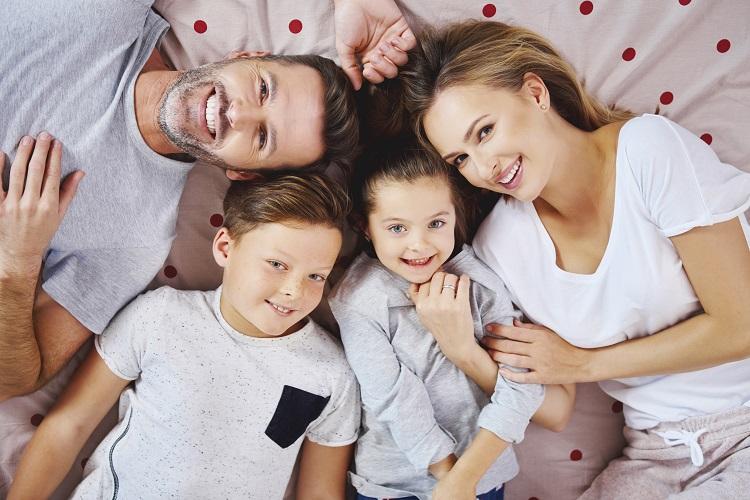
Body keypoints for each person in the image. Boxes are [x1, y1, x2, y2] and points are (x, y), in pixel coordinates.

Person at [399, 20, 750, 498]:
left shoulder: (646, 151)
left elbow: (741, 325)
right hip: (655, 453)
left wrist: (583, 364)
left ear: (535, 93)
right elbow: (555, 406)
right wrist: (464, 350)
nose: (484, 168)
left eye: (484, 131)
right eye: (460, 159)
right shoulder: (499, 246)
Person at [0, 0, 366, 401]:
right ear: (245, 57)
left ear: (243, 173)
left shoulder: (136, 239)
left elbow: (16, 381)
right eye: (262, 88)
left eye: (262, 138)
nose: (237, 114)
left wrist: (16, 261)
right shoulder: (108, 12)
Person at [8, 173, 360, 499]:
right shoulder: (160, 316)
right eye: (277, 265)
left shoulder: (331, 374)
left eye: (316, 276)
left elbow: (320, 493)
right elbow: (69, 425)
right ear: (225, 247)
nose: (293, 291)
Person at [329, 143, 574, 500]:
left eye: (436, 223)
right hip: (392, 486)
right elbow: (396, 400)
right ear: (365, 227)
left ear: (455, 217)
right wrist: (449, 479)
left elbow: (521, 386)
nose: (419, 245)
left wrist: (466, 480)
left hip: (482, 477)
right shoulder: (357, 299)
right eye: (397, 228)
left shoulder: (483, 282)